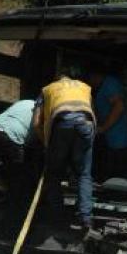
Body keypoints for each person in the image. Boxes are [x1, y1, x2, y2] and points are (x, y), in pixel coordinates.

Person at [32, 75, 96, 229]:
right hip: (86, 124)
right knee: (84, 174)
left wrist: (47, 144)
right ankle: (85, 217)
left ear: (57, 81)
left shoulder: (48, 89)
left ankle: (57, 215)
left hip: (62, 125)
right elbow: (93, 113)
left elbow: (36, 123)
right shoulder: (84, 87)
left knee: (54, 173)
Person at [88, 66, 127, 180]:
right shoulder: (100, 89)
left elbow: (119, 107)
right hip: (110, 142)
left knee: (118, 178)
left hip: (120, 142)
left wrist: (103, 128)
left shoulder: (110, 84)